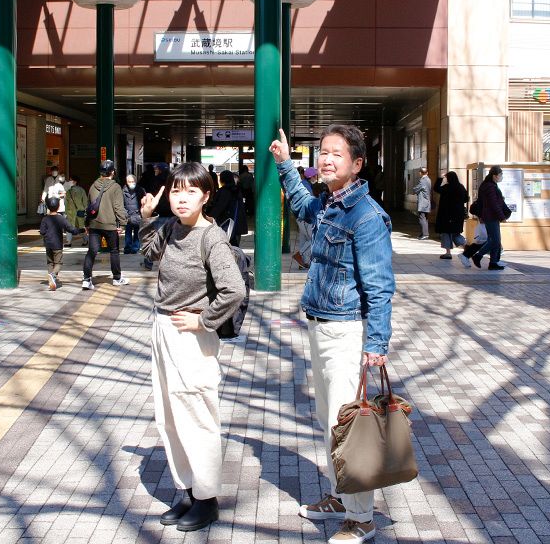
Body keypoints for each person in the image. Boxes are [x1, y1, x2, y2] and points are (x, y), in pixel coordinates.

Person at [270, 125, 394, 544]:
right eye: (322, 152)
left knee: (346, 426)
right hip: (320, 325)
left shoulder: (366, 215)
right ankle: (342, 498)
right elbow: (304, 206)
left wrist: (375, 345)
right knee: (329, 421)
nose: (326, 159)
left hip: (346, 331)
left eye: (336, 154)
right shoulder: (330, 205)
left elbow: (380, 288)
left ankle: (362, 518)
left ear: (357, 164)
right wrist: (286, 164)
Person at [139, 162, 245, 533]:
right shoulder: (171, 228)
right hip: (163, 328)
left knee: (196, 415)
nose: (181, 198)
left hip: (192, 337)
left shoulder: (210, 238)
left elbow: (235, 290)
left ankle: (207, 498)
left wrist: (203, 320)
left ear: (206, 195)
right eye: (175, 191)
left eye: (190, 191)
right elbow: (150, 254)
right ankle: (187, 490)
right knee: (169, 415)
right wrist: (147, 217)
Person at [82, 159, 129, 289]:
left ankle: (86, 279)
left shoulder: (92, 186)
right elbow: (118, 207)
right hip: (110, 226)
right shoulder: (115, 187)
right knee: (114, 251)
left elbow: (89, 207)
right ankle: (117, 278)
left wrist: (86, 224)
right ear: (112, 172)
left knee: (91, 252)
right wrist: (123, 224)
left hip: (94, 225)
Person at [40, 196, 84, 291]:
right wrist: (81, 230)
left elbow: (42, 231)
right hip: (57, 244)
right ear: (58, 206)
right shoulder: (61, 219)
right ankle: (53, 275)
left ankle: (51, 281)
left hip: (48, 244)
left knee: (50, 262)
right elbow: (71, 229)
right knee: (58, 263)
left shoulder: (45, 219)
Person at [473, 165, 509, 271]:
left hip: (490, 216)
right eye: (500, 175)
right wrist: (502, 217)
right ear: (494, 175)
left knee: (494, 240)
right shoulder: (490, 186)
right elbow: (493, 204)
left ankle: (493, 262)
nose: (501, 177)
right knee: (495, 240)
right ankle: (478, 256)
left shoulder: (489, 185)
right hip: (491, 217)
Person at [141, 164, 174, 270]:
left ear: (159, 170)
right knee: (171, 240)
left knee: (155, 238)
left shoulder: (155, 180)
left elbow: (151, 193)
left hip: (159, 213)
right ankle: (169, 262)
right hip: (172, 214)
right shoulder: (172, 181)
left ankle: (148, 262)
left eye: (157, 169)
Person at [433, 171, 469, 259]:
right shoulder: (461, 187)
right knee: (455, 233)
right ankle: (466, 247)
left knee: (446, 233)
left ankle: (448, 253)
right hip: (458, 214)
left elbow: (436, 188)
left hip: (447, 214)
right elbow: (466, 198)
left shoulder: (447, 187)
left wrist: (440, 178)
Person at [207, 170, 248, 247]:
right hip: (237, 223)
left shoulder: (224, 191)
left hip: (226, 224)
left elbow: (219, 207)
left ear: (222, 179)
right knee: (235, 247)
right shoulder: (237, 190)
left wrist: (208, 217)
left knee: (226, 247)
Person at [292, 167, 321, 269]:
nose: (316, 177)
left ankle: (303, 262)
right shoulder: (307, 186)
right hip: (306, 217)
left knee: (304, 239)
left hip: (301, 217)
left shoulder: (304, 184)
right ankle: (300, 255)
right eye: (315, 175)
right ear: (311, 176)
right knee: (314, 238)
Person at [64, 175, 88, 247]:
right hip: (79, 211)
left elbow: (66, 202)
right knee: (80, 227)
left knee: (72, 227)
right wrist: (84, 209)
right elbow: (85, 201)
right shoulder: (81, 190)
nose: (70, 182)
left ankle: (70, 242)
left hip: (71, 212)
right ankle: (84, 240)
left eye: (71, 180)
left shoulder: (69, 191)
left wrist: (66, 212)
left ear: (75, 181)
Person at [123, 174, 143, 254]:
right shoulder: (123, 191)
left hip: (137, 215)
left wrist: (141, 214)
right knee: (127, 233)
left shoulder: (141, 190)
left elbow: (144, 202)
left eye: (133, 181)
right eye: (129, 182)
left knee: (137, 233)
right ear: (126, 182)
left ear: (136, 181)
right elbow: (121, 204)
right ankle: (127, 248)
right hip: (128, 216)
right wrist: (125, 214)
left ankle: (135, 248)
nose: (131, 183)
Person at [413, 168, 431, 240]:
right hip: (426, 202)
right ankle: (423, 233)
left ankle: (425, 234)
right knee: (425, 218)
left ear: (420, 173)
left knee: (422, 218)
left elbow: (417, 188)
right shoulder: (428, 179)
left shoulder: (423, 180)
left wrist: (414, 189)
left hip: (423, 202)